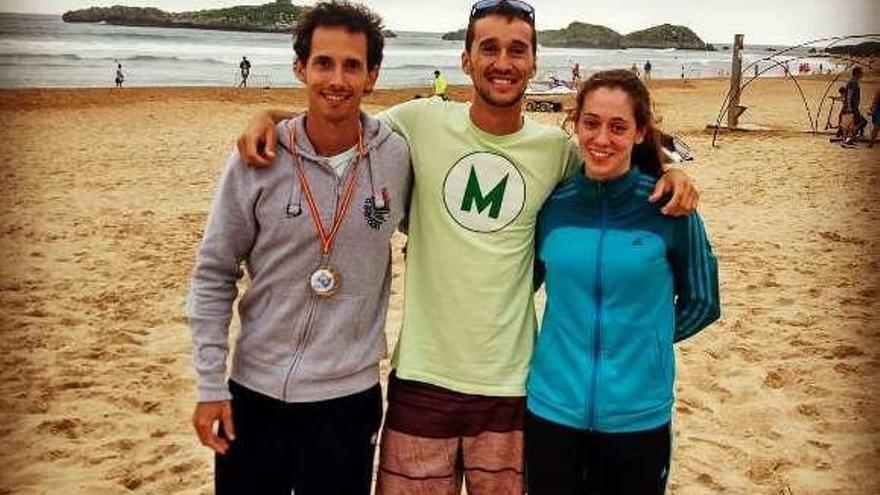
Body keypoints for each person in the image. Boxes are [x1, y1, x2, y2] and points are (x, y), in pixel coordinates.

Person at [234, 1, 699, 492]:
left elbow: (612, 162)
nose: (503, 61)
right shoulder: (418, 123)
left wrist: (672, 172)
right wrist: (267, 114)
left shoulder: (556, 152)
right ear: (465, 59)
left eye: (517, 50)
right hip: (421, 379)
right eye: (489, 48)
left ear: (534, 63)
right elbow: (338, 119)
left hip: (513, 387)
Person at [187, 3, 411, 494]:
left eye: (352, 65)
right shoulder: (258, 158)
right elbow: (213, 273)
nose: (337, 78)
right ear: (300, 68)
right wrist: (209, 385)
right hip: (254, 393)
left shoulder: (396, 155)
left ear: (372, 76)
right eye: (324, 63)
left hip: (347, 400)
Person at [525, 69, 720, 495]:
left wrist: (646, 340)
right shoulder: (554, 206)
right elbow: (525, 287)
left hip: (639, 415)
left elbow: (703, 301)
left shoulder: (667, 206)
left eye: (618, 127)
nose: (601, 139)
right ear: (575, 124)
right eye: (591, 123)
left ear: (639, 133)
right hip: (551, 408)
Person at [840, 66, 865, 148]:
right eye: (861, 72)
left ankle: (849, 140)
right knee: (858, 123)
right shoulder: (852, 83)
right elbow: (849, 95)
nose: (862, 74)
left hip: (854, 107)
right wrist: (849, 106)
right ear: (857, 73)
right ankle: (848, 140)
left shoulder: (854, 82)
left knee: (857, 123)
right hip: (852, 107)